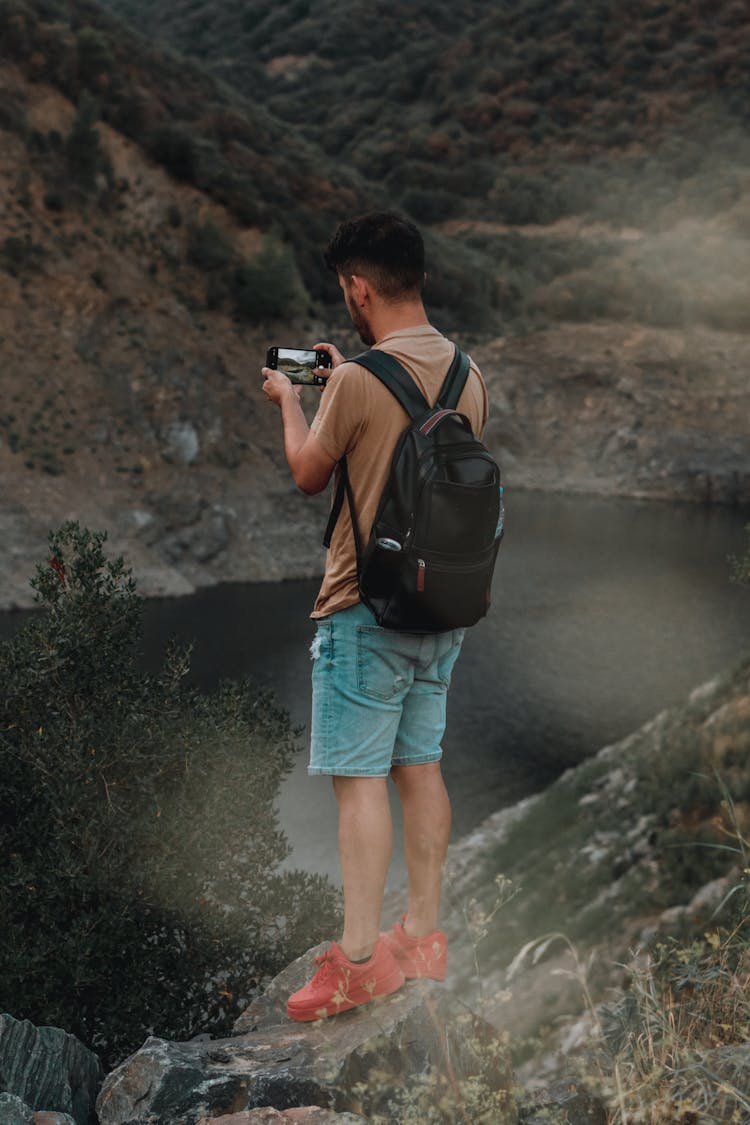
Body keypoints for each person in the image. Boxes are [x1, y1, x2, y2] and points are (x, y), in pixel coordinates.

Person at [261, 212, 488, 1022]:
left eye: (345, 291)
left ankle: (359, 961)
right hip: (442, 608)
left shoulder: (356, 381)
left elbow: (308, 474)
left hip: (365, 612)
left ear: (359, 287)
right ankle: (423, 937)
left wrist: (291, 399)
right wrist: (340, 384)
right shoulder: (469, 374)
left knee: (359, 782)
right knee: (420, 765)